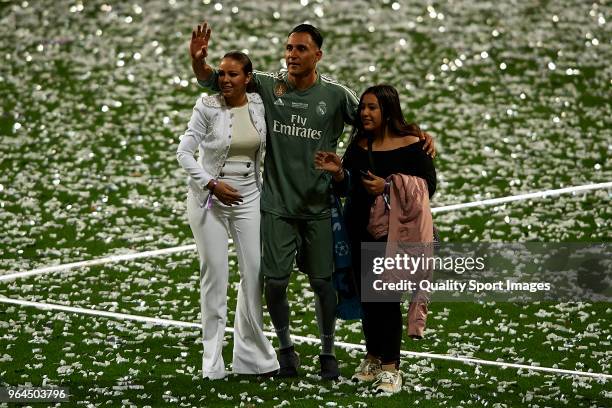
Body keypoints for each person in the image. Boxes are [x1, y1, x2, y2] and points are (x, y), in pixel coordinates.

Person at [189, 22, 435, 380]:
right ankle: (286, 350)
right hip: (275, 205)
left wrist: (416, 132)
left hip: (320, 207)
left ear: (318, 55)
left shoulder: (336, 96)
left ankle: (328, 352)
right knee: (273, 283)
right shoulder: (269, 86)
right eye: (289, 48)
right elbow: (220, 80)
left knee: (323, 284)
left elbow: (374, 120)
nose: (292, 55)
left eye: (301, 49)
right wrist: (198, 61)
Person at [315, 84, 436, 393]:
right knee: (369, 300)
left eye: (372, 108)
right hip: (358, 231)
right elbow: (347, 190)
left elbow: (427, 189)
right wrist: (340, 174)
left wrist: (388, 186)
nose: (364, 113)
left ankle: (391, 368)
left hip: (394, 236)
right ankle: (372, 357)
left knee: (386, 300)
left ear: (388, 112)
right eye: (363, 108)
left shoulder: (413, 145)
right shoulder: (359, 145)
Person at [176, 51, 279, 379]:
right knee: (215, 277)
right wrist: (212, 183)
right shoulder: (206, 106)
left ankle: (252, 359)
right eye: (222, 74)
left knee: (254, 275)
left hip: (250, 198)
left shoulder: (259, 105)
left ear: (248, 78)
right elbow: (184, 152)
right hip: (209, 201)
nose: (225, 80)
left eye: (233, 74)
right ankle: (212, 362)